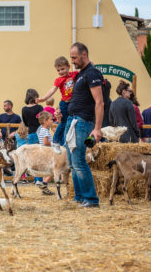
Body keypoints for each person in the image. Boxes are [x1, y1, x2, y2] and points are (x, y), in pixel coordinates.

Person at [63, 42, 103, 208]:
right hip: (72, 121)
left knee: (79, 160)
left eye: (74, 57)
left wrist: (97, 128)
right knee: (72, 162)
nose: (72, 61)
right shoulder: (80, 75)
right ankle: (79, 196)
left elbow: (99, 102)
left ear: (84, 55)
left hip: (82, 122)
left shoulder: (92, 73)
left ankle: (91, 199)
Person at [36, 56, 79, 148]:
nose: (60, 72)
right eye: (58, 70)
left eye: (62, 69)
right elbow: (53, 89)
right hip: (64, 103)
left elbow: (85, 71)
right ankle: (56, 140)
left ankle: (67, 141)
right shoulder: (59, 80)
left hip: (73, 103)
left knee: (72, 122)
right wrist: (43, 98)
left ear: (68, 66)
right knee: (63, 122)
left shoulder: (74, 74)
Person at [22, 89, 44, 184]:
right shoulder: (39, 107)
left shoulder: (24, 109)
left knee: (33, 159)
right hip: (40, 133)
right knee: (41, 158)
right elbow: (42, 119)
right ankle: (39, 180)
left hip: (30, 134)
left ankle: (35, 179)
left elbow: (25, 123)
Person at [36, 111, 55, 195]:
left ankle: (44, 189)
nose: (52, 121)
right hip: (47, 153)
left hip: (42, 153)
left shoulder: (43, 130)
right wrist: (54, 144)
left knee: (45, 172)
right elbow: (46, 142)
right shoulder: (45, 131)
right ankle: (43, 184)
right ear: (45, 121)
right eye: (51, 120)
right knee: (54, 171)